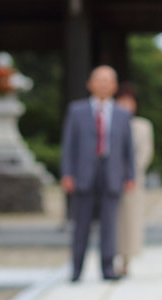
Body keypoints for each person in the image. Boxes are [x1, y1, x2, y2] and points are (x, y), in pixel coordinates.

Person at [60, 65, 135, 281]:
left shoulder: (123, 114)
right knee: (80, 224)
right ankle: (76, 269)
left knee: (109, 225)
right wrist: (67, 173)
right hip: (83, 174)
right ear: (90, 84)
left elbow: (128, 148)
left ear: (114, 86)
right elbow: (69, 145)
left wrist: (131, 175)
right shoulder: (77, 110)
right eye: (99, 79)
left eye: (108, 80)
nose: (103, 84)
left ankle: (108, 269)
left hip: (112, 174)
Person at [115, 83, 154, 277]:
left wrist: (130, 173)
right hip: (110, 180)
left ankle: (126, 260)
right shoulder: (110, 124)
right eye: (121, 102)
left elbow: (145, 153)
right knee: (112, 221)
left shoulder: (142, 125)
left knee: (130, 221)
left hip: (133, 181)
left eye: (129, 102)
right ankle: (110, 258)